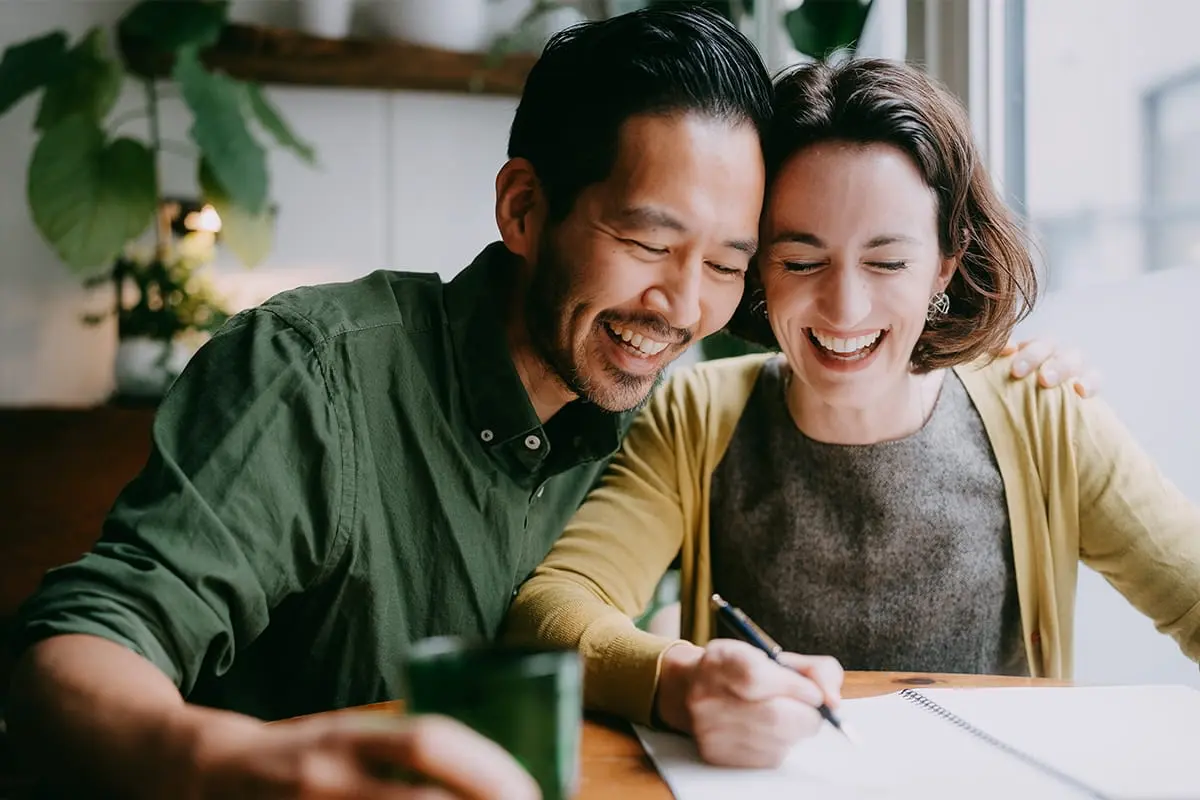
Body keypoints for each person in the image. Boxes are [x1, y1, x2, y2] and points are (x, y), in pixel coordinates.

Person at [6, 9, 1084, 797]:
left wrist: (1015, 375)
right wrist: (233, 761)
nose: (682, 303)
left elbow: (855, 325)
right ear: (526, 209)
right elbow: (77, 649)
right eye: (648, 241)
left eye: (727, 263)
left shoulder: (677, 386)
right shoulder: (315, 371)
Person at [501, 56, 1200, 771]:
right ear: (760, 271)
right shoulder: (695, 416)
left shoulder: (1044, 415)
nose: (845, 309)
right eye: (801, 261)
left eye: (888, 262)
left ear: (945, 267)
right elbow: (553, 609)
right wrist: (679, 680)